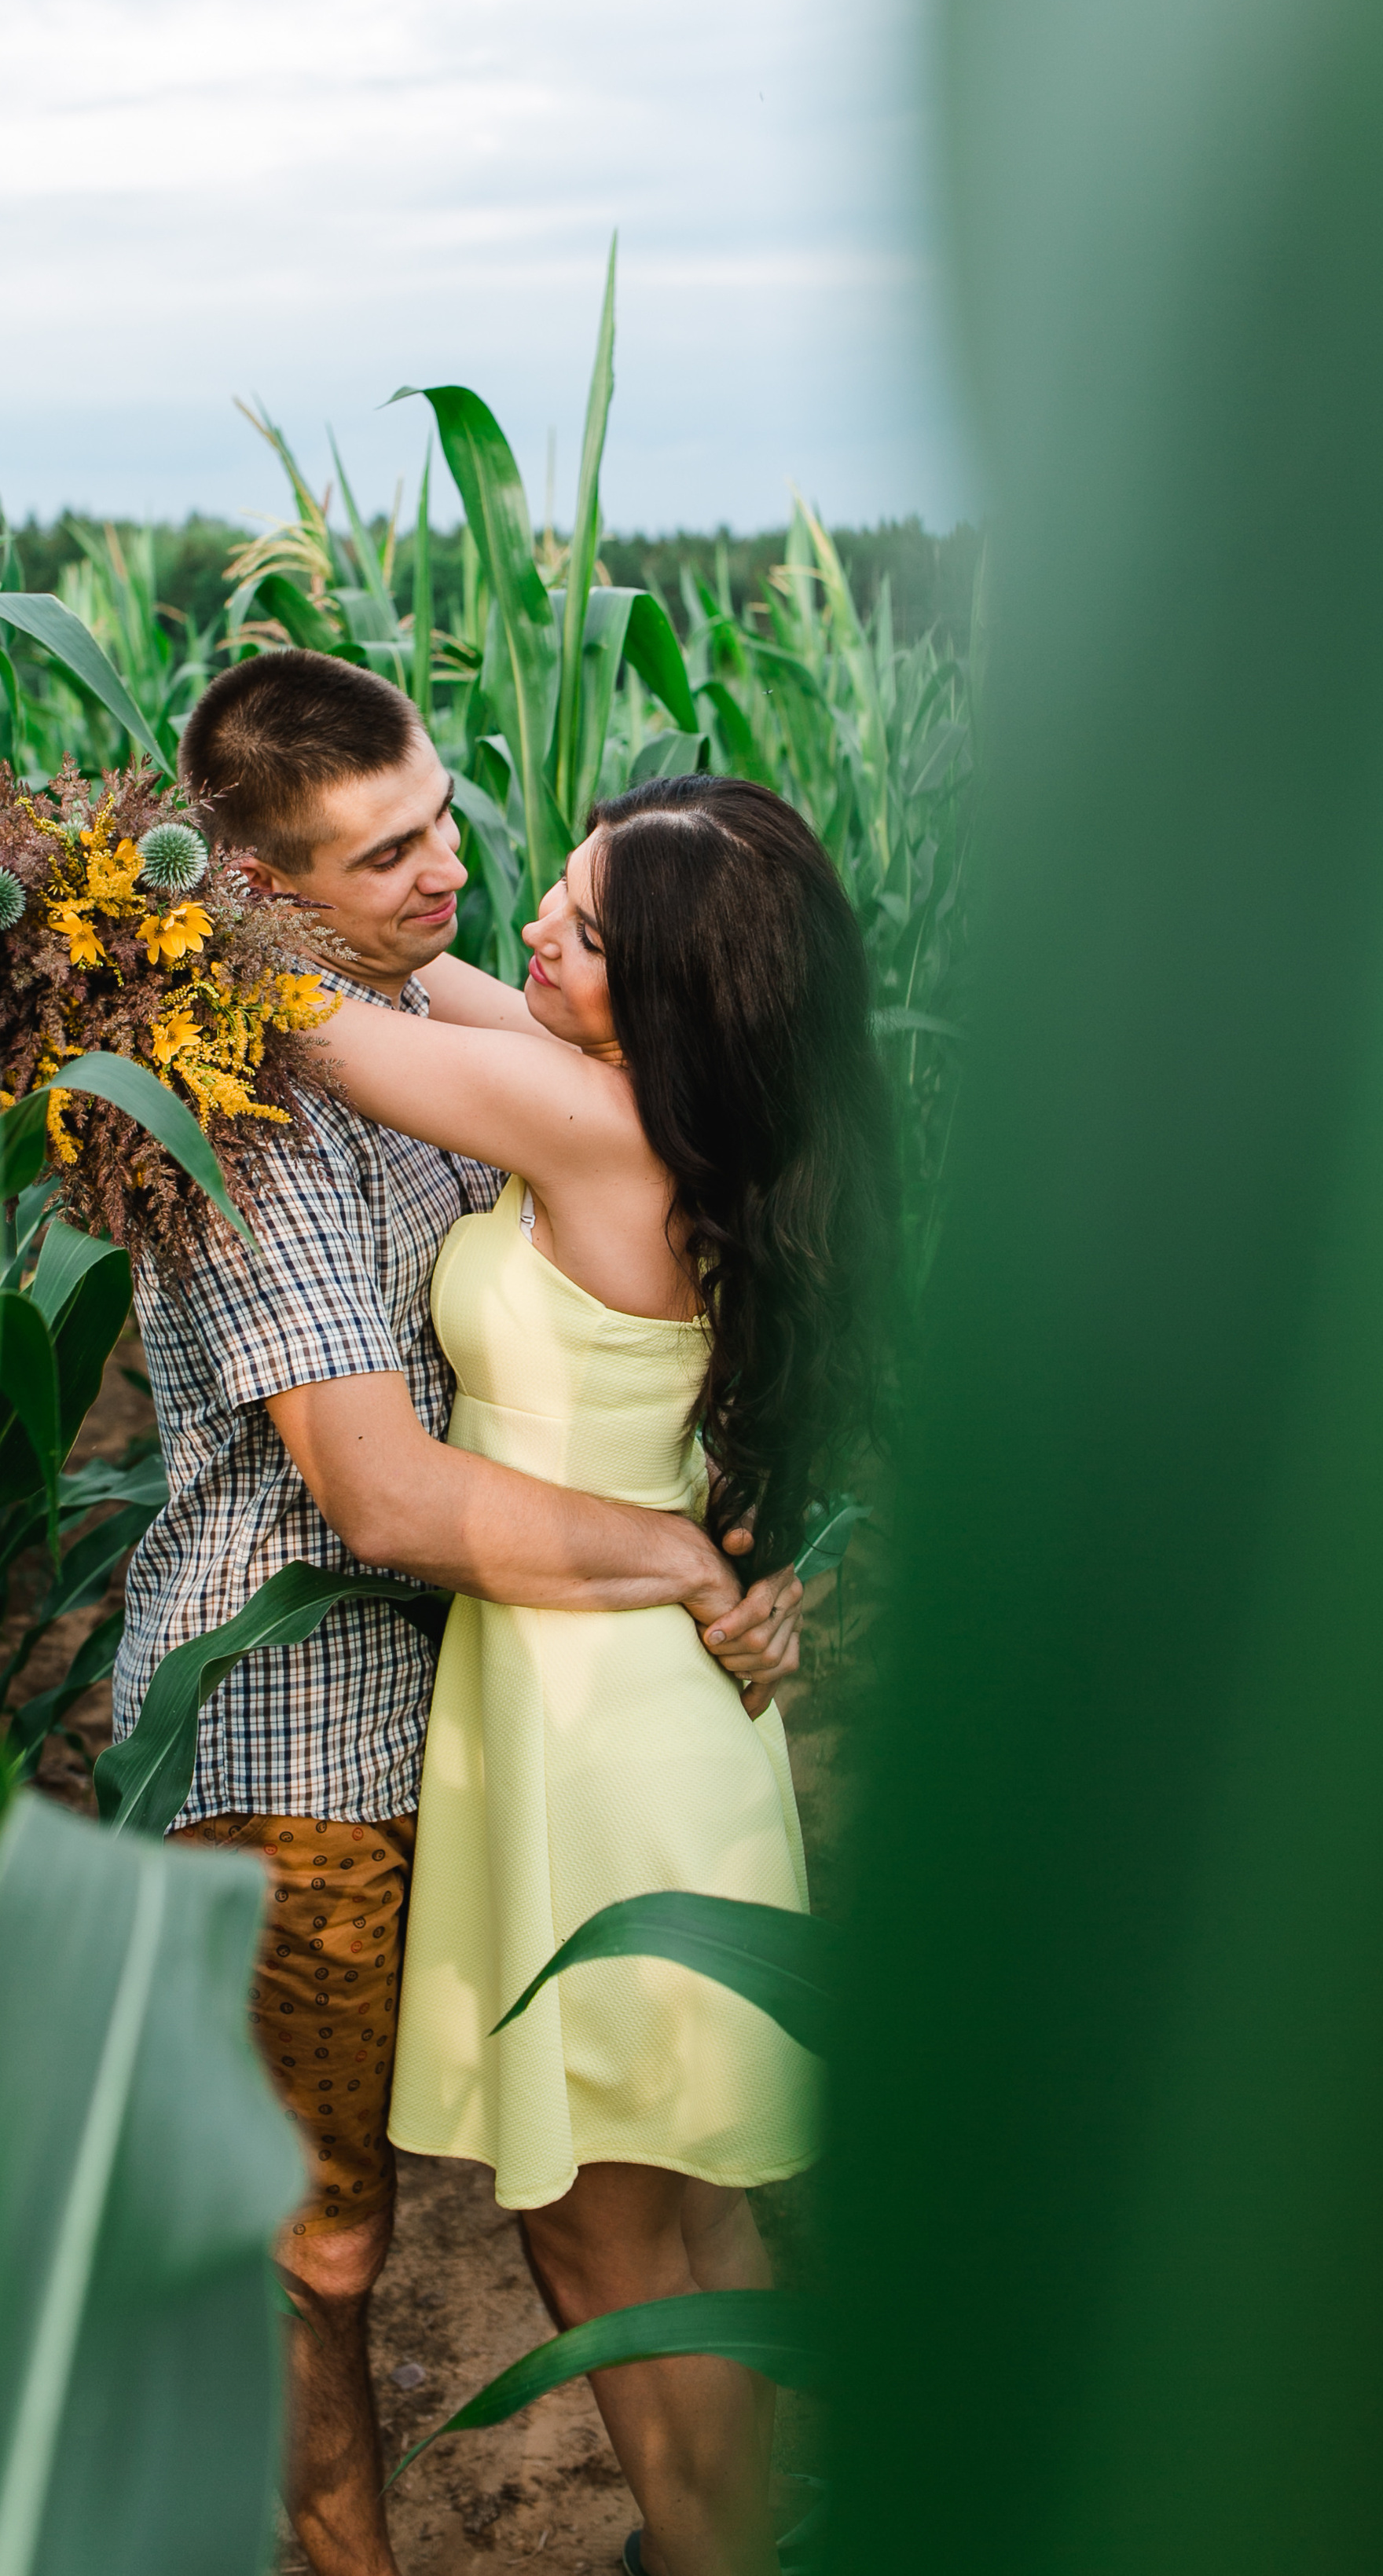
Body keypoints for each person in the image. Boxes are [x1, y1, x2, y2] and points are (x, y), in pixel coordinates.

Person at [110, 650, 803, 2576]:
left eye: (446, 826)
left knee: (608, 2215)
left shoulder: (521, 1075)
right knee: (399, 2230)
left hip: (566, 1724)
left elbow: (348, 1015)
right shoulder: (425, 1091)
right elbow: (383, 1491)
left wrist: (145, 938)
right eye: (389, 850)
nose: (461, 886)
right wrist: (691, 1555)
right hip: (377, 1713)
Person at [309, 773, 893, 2576]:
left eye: (579, 924)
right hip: (641, 1708)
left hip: (590, 1734)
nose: (529, 933)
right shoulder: (697, 1123)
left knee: (600, 2240)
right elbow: (443, 980)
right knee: (682, 2212)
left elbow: (303, 1004)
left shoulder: (577, 1128)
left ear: (656, 995)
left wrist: (125, 878)